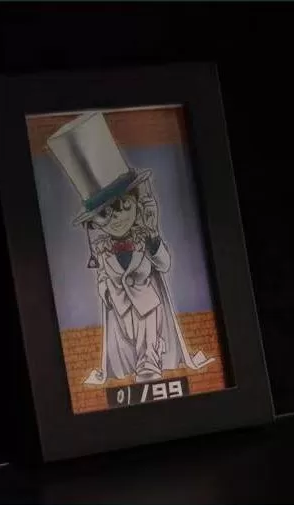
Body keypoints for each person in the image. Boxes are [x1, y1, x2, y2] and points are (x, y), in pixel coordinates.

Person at [47, 111, 213, 385]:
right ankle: (130, 363)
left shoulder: (144, 237)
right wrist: (105, 289)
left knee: (149, 312)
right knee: (124, 342)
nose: (117, 217)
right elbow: (103, 275)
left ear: (136, 201)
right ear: (95, 222)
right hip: (120, 310)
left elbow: (165, 264)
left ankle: (150, 360)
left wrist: (153, 238)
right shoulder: (102, 250)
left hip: (148, 303)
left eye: (124, 205)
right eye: (105, 214)